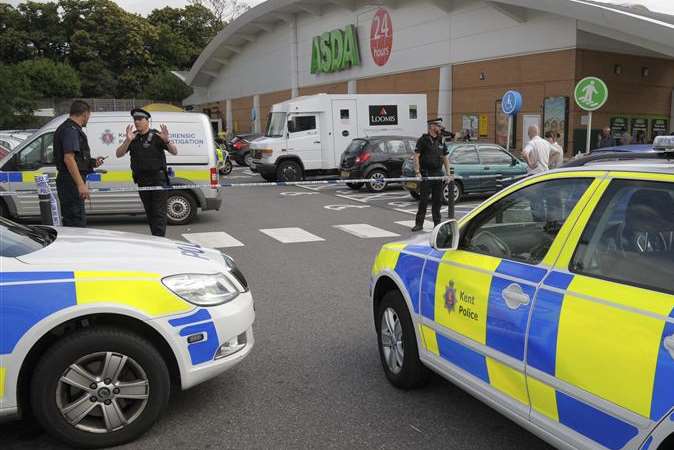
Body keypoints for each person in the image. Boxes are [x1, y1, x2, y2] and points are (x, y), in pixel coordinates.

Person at [115, 108, 178, 237]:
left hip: (158, 179)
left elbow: (174, 151)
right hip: (142, 180)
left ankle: (159, 239)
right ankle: (156, 237)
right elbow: (118, 154)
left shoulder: (157, 136)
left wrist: (166, 140)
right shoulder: (132, 137)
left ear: (147, 121)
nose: (137, 122)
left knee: (159, 212)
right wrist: (127, 140)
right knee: (149, 212)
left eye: (140, 119)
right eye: (135, 120)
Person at [53, 100, 104, 227]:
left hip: (70, 181)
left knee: (75, 219)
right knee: (76, 222)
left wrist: (92, 162)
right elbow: (69, 158)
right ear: (85, 114)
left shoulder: (68, 128)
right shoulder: (71, 130)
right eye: (89, 116)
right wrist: (80, 184)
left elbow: (76, 158)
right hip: (71, 182)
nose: (88, 119)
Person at [412, 118, 452, 232]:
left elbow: (445, 158)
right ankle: (419, 224)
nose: (440, 128)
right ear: (432, 127)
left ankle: (437, 224)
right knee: (423, 200)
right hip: (426, 174)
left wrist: (448, 174)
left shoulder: (441, 141)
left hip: (438, 174)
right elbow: (416, 156)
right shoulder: (423, 140)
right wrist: (417, 172)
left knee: (437, 201)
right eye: (438, 126)